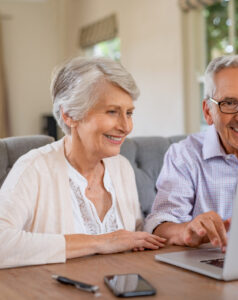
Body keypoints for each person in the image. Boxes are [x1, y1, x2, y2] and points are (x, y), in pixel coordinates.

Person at [0, 57, 165, 268]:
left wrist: (175, 231)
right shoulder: (34, 168)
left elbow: (132, 237)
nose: (126, 126)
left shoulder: (121, 167)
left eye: (129, 113)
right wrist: (102, 242)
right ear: (69, 115)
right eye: (112, 112)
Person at [145, 54, 238, 252]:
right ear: (208, 111)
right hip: (211, 270)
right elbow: (160, 225)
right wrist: (187, 231)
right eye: (229, 103)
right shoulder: (184, 155)